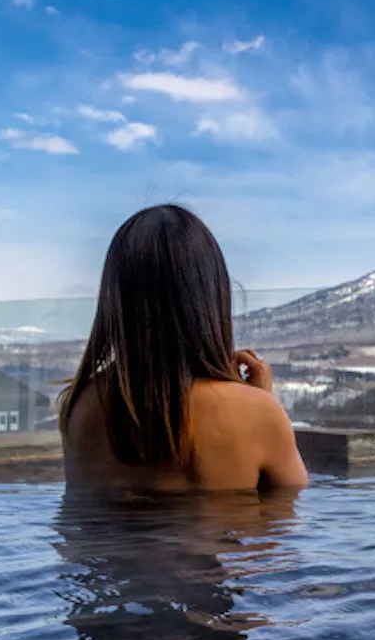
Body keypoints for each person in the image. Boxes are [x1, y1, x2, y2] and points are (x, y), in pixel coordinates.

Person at [59, 204, 308, 492]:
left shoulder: (80, 405)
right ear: (212, 295)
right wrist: (259, 403)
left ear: (115, 301)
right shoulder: (256, 412)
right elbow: (280, 525)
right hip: (210, 536)